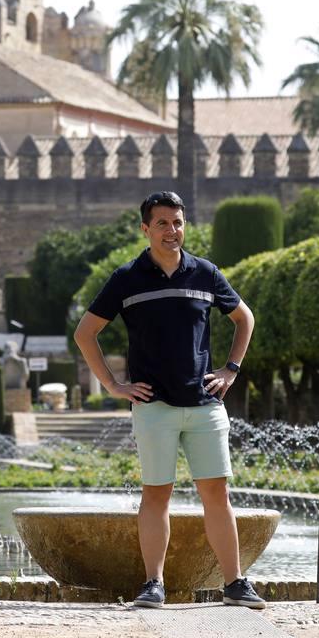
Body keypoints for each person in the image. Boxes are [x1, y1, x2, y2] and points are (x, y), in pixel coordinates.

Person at [73, 191, 262, 609]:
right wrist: (113, 385)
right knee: (156, 495)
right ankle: (152, 584)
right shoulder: (127, 277)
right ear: (145, 229)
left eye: (177, 222)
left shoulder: (206, 273)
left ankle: (235, 583)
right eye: (162, 223)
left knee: (218, 495)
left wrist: (231, 369)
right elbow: (85, 333)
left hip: (205, 405)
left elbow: (244, 318)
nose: (171, 231)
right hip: (153, 407)